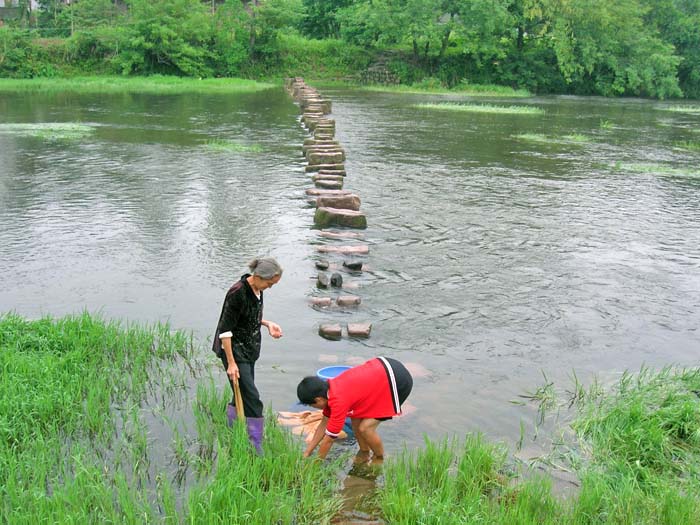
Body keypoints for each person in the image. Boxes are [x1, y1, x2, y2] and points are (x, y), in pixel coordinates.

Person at [212, 256, 283, 454]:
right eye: (270, 283)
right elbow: (225, 330)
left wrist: (268, 324)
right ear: (259, 276)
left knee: (241, 391)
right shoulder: (237, 292)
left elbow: (250, 316)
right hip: (233, 350)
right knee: (252, 397)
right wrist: (231, 363)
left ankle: (231, 428)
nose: (270, 287)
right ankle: (256, 446)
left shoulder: (258, 290)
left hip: (249, 348)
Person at [296, 356, 413, 464]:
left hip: (396, 380)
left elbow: (329, 440)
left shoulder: (338, 401)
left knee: (366, 428)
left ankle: (379, 458)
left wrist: (315, 464)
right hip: (382, 367)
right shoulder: (329, 389)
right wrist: (307, 452)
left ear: (318, 399)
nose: (313, 408)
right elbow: (323, 424)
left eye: (312, 405)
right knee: (355, 420)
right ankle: (364, 452)